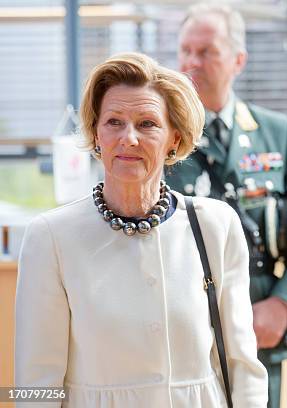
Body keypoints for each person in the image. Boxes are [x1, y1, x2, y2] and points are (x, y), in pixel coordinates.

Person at [15, 52, 268, 407]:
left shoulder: (216, 225)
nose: (128, 138)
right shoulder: (50, 237)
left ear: (175, 140)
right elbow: (34, 384)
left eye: (147, 124)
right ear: (95, 134)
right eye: (114, 122)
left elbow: (244, 365)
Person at [164, 4, 287, 407]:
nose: (192, 62)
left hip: (259, 321)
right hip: (182, 325)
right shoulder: (160, 134)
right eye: (186, 50)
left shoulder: (275, 131)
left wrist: (284, 303)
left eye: (206, 52)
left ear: (238, 60)